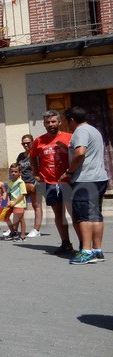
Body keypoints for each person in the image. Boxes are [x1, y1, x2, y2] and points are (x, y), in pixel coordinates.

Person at [60, 107, 109, 265]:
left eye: (66, 121)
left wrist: (69, 172)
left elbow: (80, 153)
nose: (67, 125)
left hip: (85, 179)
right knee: (95, 215)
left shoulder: (80, 131)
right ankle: (97, 250)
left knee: (83, 216)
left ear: (72, 120)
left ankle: (86, 251)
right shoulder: (94, 130)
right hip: (99, 178)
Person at [30, 110, 74, 255]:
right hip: (49, 183)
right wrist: (36, 173)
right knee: (58, 214)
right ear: (44, 124)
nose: (51, 124)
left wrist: (66, 150)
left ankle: (84, 244)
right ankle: (66, 243)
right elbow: (32, 157)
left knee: (74, 213)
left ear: (59, 122)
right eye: (47, 122)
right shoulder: (39, 141)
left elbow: (78, 156)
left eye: (53, 121)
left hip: (68, 181)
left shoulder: (69, 137)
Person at [16, 134, 42, 238]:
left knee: (37, 206)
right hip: (23, 185)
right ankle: (14, 229)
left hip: (34, 184)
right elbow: (18, 169)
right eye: (24, 143)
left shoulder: (37, 155)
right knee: (19, 206)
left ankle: (36, 229)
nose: (26, 145)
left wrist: (37, 182)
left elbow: (41, 169)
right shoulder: (20, 156)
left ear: (33, 142)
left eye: (28, 143)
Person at [2, 163, 27, 242]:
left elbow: (23, 194)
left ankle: (22, 236)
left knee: (20, 219)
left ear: (19, 173)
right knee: (5, 217)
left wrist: (15, 202)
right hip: (11, 203)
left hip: (19, 203)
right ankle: (13, 233)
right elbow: (9, 193)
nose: (13, 173)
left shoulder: (21, 182)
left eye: (16, 172)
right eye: (12, 171)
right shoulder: (10, 182)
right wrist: (8, 201)